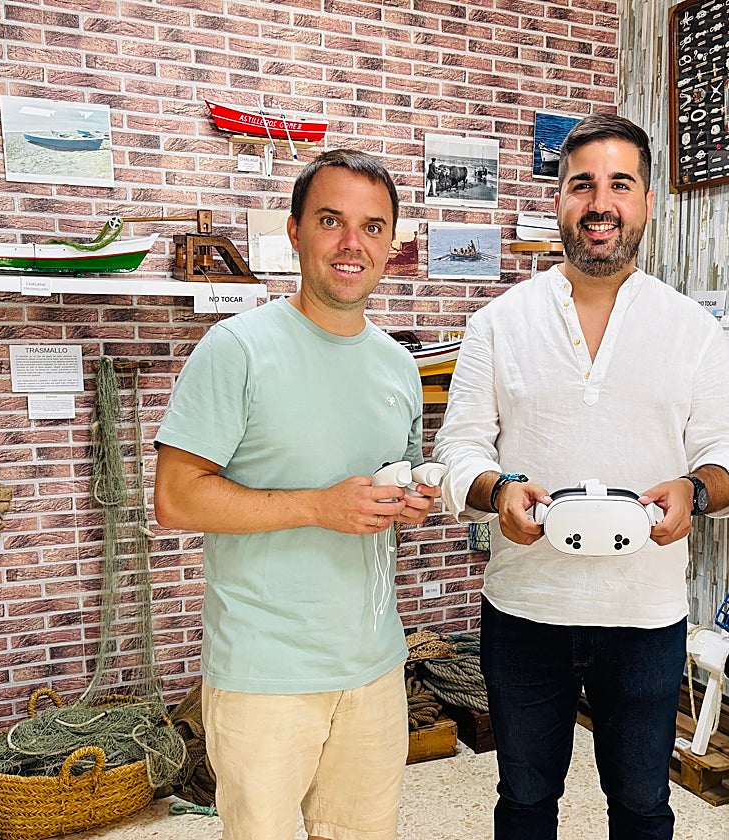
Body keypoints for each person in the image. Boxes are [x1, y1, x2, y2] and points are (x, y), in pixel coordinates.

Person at [433, 114, 729, 840]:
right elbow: (459, 449)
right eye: (582, 184)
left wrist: (696, 491)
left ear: (647, 202)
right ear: (559, 199)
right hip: (525, 608)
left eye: (620, 184)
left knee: (642, 806)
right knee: (525, 801)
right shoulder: (499, 323)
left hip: (644, 614)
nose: (600, 203)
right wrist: (497, 491)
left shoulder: (690, 328)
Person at [153, 148, 440, 840]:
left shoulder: (399, 366)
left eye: (373, 227)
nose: (352, 243)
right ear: (295, 232)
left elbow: (390, 484)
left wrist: (407, 502)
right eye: (331, 221)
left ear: (391, 245)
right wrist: (318, 505)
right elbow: (175, 499)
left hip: (374, 667)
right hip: (265, 673)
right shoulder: (236, 349)